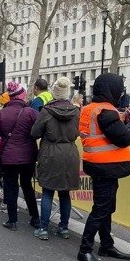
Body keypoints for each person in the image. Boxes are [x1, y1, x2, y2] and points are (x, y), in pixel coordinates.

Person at [77, 73, 130, 261]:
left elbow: (105, 133)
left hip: (98, 165)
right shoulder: (106, 111)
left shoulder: (91, 109)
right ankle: (84, 250)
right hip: (106, 167)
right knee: (101, 209)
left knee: (106, 208)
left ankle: (106, 246)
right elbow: (124, 139)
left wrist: (124, 123)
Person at [0, 82, 40, 231]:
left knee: (11, 187)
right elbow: (41, 130)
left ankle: (12, 220)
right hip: (28, 156)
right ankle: (35, 218)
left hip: (9, 157)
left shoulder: (1, 113)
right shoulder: (31, 112)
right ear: (22, 96)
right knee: (27, 186)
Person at [30, 77, 80, 240]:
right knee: (65, 192)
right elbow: (77, 132)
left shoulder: (46, 111)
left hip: (51, 153)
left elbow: (34, 133)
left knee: (47, 190)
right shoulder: (75, 111)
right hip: (70, 153)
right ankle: (64, 227)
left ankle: (43, 227)